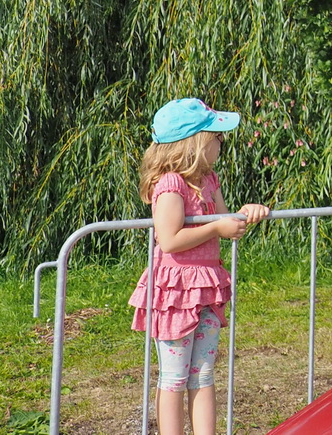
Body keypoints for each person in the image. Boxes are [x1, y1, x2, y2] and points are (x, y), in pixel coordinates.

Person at [129, 99, 270, 435]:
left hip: (206, 286)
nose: (222, 143)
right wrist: (216, 228)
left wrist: (244, 214)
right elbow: (169, 239)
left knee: (203, 374)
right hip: (175, 292)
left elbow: (223, 219)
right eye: (217, 137)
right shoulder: (171, 185)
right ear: (196, 142)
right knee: (174, 377)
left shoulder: (209, 179)